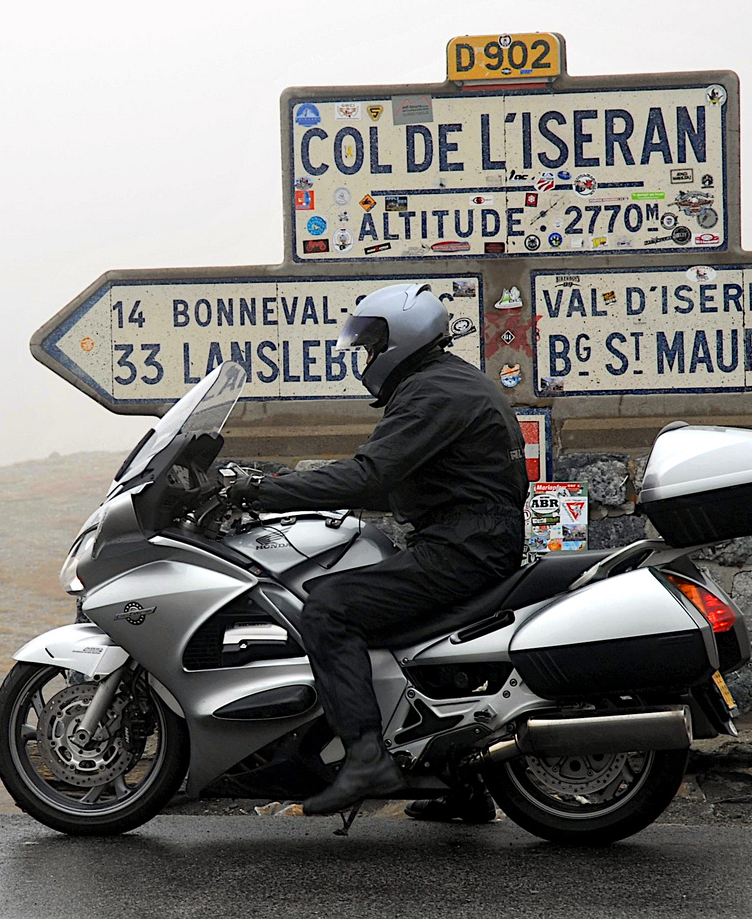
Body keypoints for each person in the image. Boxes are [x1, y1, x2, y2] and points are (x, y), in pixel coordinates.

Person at [225, 283, 527, 818]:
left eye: (370, 344)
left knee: (329, 608)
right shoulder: (442, 383)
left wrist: (258, 492)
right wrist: (277, 483)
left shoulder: (434, 393)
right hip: (471, 536)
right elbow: (395, 482)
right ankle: (463, 784)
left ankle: (365, 757)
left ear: (399, 338)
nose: (365, 357)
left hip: (464, 545)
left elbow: (370, 477)